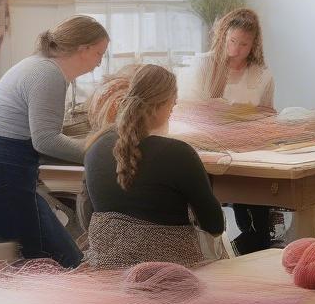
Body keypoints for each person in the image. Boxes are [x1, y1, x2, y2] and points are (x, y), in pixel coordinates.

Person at [0, 15, 109, 267]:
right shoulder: (48, 74)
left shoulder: (39, 65)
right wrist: (100, 154)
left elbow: (38, 137)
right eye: (98, 54)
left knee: (59, 260)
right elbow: (46, 140)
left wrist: (91, 147)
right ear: (82, 50)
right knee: (55, 263)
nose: (99, 63)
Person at [84, 64, 224, 268]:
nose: (172, 112)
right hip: (170, 271)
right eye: (173, 105)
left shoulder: (95, 147)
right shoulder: (179, 153)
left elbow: (88, 212)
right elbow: (214, 225)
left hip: (107, 268)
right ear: (163, 105)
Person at [177, 8, 274, 254]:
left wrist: (237, 115)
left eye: (244, 44)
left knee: (257, 223)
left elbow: (268, 114)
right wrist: (229, 113)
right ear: (223, 37)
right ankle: (226, 250)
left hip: (247, 151)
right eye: (232, 41)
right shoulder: (203, 65)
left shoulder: (261, 75)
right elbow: (188, 110)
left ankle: (248, 248)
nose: (236, 49)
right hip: (204, 149)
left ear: (254, 45)